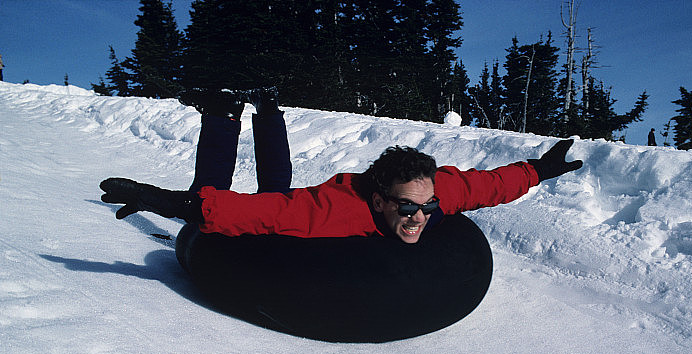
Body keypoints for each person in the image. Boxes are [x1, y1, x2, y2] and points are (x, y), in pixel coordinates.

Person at [100, 89, 583, 244]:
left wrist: (538, 170)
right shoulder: (337, 211)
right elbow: (254, 215)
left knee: (275, 190)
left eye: (427, 205)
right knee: (262, 197)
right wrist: (167, 202)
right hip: (294, 211)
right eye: (409, 208)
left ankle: (270, 115)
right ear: (379, 200)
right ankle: (224, 115)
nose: (420, 217)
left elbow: (486, 185)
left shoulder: (432, 197)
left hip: (294, 203)